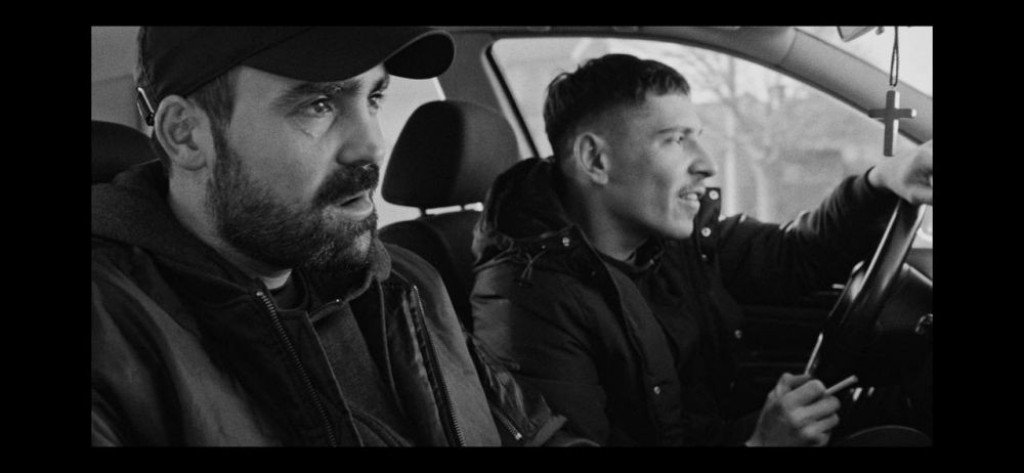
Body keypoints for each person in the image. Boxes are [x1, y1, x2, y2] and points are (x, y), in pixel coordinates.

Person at [91, 26, 594, 447]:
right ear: (185, 134)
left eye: (374, 98)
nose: (373, 145)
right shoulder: (110, 336)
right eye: (319, 104)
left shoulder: (405, 282)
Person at [470, 54, 933, 446]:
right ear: (596, 159)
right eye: (675, 139)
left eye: (697, 137)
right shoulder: (526, 300)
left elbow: (795, 257)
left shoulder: (673, 242)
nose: (706, 164)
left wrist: (882, 181)